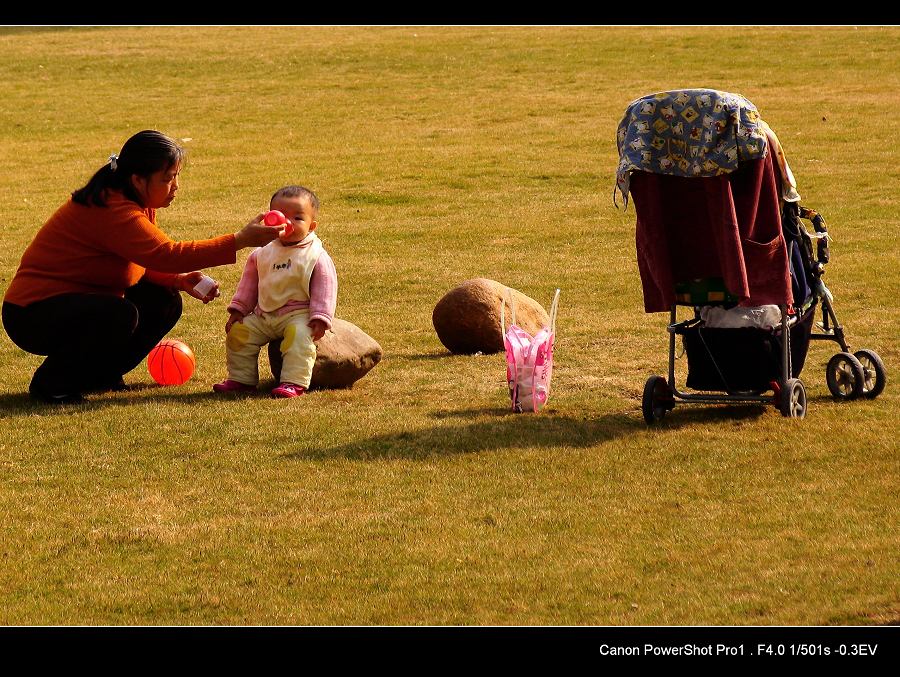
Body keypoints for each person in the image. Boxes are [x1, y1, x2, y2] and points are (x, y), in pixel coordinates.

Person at [1, 130, 283, 403]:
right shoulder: (114, 209)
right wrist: (239, 240)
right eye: (167, 179)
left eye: (176, 177)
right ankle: (52, 385)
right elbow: (165, 253)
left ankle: (100, 375)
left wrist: (177, 279)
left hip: (72, 302)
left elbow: (143, 258)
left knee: (163, 301)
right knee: (117, 314)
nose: (175, 186)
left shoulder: (134, 199)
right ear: (137, 180)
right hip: (31, 315)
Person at [212, 185, 337, 398]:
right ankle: (241, 379)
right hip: (264, 314)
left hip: (298, 314)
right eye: (281, 216)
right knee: (239, 334)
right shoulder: (262, 253)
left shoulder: (315, 255)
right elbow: (249, 284)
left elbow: (325, 287)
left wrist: (320, 317)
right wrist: (239, 310)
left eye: (297, 218)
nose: (288, 223)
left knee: (299, 338)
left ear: (312, 226)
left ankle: (293, 382)